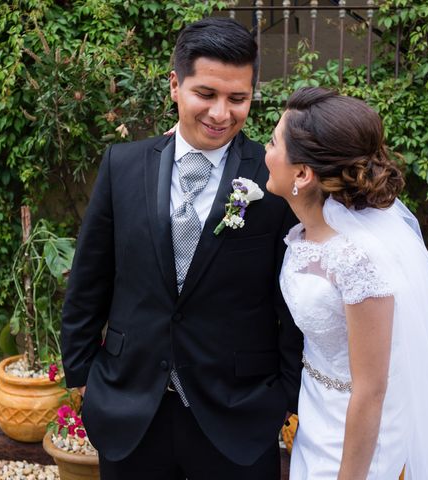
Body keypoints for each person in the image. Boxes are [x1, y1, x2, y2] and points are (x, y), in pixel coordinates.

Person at [61, 17, 303, 480]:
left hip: (237, 414)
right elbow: (90, 279)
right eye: (206, 95)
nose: (221, 113)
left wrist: (285, 398)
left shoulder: (272, 177)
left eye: (238, 99)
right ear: (175, 85)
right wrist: (83, 380)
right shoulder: (122, 165)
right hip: (130, 407)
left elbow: (290, 300)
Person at [264, 87, 428, 480]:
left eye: (273, 142)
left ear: (302, 173)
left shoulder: (359, 258)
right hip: (316, 409)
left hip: (358, 431)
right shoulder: (306, 235)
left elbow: (372, 388)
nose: (265, 149)